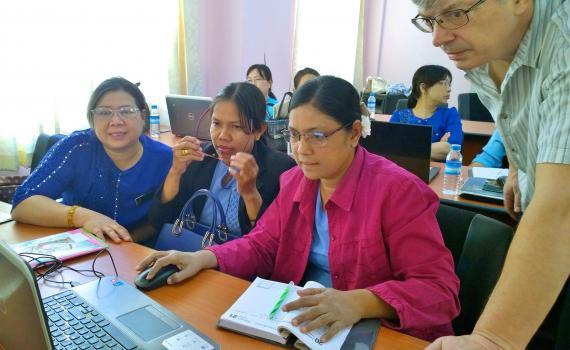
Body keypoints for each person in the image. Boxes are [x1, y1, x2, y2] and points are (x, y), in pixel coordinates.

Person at [137, 76, 460, 343]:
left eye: (317, 136)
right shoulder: (296, 181)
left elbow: (440, 291)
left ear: (354, 133)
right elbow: (261, 244)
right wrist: (203, 258)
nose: (302, 150)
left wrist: (360, 301)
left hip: (376, 333)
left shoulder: (398, 192)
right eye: (294, 135)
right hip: (300, 326)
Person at [409, 0, 570, 349]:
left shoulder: (564, 39)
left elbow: (563, 207)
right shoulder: (486, 46)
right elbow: (514, 109)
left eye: (454, 13)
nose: (437, 38)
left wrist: (493, 340)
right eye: (429, 20)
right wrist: (518, 166)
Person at [11, 77, 173, 243]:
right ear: (92, 118)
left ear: (143, 116)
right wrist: (83, 216)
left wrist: (124, 244)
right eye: (104, 112)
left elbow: (163, 220)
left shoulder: (165, 158)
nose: (116, 121)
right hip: (79, 250)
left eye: (126, 111)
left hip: (139, 252)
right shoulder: (76, 148)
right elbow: (22, 204)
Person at [146, 82, 295, 245]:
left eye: (236, 126)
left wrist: (250, 193)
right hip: (192, 253)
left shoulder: (281, 169)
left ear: (259, 130)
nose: (223, 136)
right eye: (216, 124)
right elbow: (158, 221)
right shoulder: (198, 157)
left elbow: (269, 244)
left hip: (239, 265)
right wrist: (175, 172)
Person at [390, 65, 463, 161]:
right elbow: (390, 149)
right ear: (423, 87)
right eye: (443, 83)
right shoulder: (399, 116)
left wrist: (406, 149)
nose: (449, 89)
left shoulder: (450, 115)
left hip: (438, 173)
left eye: (449, 84)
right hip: (404, 172)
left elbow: (453, 150)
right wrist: (435, 149)